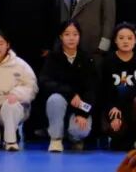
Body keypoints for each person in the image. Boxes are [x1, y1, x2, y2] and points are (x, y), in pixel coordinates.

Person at [41, 20, 97, 152]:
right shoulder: (53, 57)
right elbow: (45, 81)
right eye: (67, 34)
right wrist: (70, 94)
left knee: (80, 130)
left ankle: (75, 139)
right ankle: (56, 139)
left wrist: (82, 113)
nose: (71, 38)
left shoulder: (87, 59)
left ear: (79, 36)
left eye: (75, 34)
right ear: (61, 36)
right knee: (54, 99)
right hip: (61, 102)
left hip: (80, 104)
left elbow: (92, 88)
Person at [97, 23, 136, 151]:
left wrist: (120, 107)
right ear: (115, 40)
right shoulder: (108, 62)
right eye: (121, 38)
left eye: (129, 38)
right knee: (116, 134)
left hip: (133, 108)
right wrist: (113, 110)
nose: (125, 41)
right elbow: (103, 91)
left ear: (135, 40)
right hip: (114, 108)